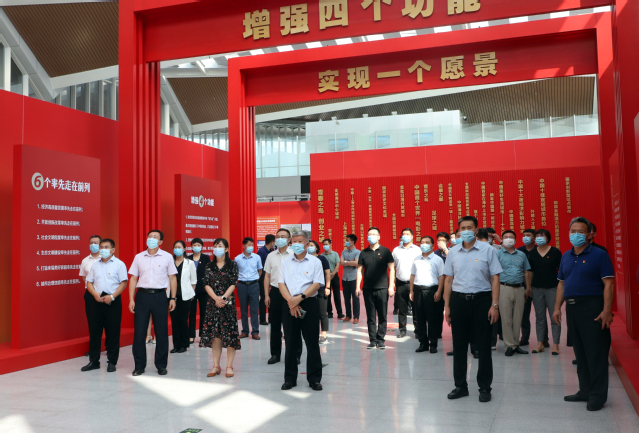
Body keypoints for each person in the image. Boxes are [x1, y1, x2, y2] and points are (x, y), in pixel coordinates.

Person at [553, 217, 614, 411]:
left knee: (595, 354)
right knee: (580, 352)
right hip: (572, 308)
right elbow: (561, 284)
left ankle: (597, 396)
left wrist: (606, 310)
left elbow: (609, 284)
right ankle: (585, 390)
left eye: (580, 231)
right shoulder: (566, 256)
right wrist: (557, 307)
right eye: (573, 231)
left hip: (592, 308)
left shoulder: (599, 254)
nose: (576, 235)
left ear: (589, 234)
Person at [444, 216, 503, 402]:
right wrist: (447, 306)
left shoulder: (488, 250)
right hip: (458, 301)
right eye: (463, 228)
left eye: (470, 227)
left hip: (482, 301)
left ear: (476, 230)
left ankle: (485, 387)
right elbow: (448, 280)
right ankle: (460, 386)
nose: (466, 231)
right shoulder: (453, 252)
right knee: (459, 345)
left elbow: (495, 278)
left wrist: (494, 305)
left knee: (483, 346)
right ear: (459, 231)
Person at [279, 230, 324, 391]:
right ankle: (290, 378)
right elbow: (281, 283)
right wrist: (292, 302)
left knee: (312, 342)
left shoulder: (315, 261)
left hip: (309, 303)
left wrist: (300, 298)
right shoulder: (285, 261)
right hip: (289, 303)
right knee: (291, 342)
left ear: (307, 244)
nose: (296, 244)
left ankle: (314, 379)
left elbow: (317, 284)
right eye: (294, 241)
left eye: (300, 241)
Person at [128, 230, 178, 376]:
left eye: (155, 237)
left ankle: (161, 365)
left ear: (160, 242)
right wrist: (131, 299)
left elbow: (173, 278)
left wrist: (173, 298)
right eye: (150, 236)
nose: (151, 239)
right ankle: (139, 366)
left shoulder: (167, 257)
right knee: (139, 332)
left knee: (161, 332)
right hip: (142, 296)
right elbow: (133, 278)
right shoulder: (139, 257)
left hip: (160, 296)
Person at [82, 239, 128, 372]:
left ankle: (112, 362)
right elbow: (89, 282)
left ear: (113, 250)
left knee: (113, 332)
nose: (102, 249)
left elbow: (123, 283)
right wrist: (94, 294)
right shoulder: (95, 265)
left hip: (113, 301)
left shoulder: (119, 264)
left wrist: (112, 297)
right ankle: (94, 361)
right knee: (95, 332)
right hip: (97, 300)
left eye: (106, 247)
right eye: (101, 247)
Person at [200, 238, 240, 378]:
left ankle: (229, 366)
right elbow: (206, 284)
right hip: (213, 304)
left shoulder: (232, 265)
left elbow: (233, 283)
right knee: (215, 336)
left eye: (220, 246)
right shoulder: (209, 266)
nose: (217, 248)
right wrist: (216, 298)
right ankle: (216, 365)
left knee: (230, 335)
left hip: (227, 304)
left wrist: (223, 298)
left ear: (226, 249)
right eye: (215, 246)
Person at [356, 227, 395, 350]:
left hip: (382, 288)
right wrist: (357, 286)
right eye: (369, 234)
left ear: (379, 237)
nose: (371, 236)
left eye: (374, 234)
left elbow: (392, 269)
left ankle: (381, 340)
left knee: (382, 316)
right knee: (370, 316)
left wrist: (391, 286)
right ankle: (372, 340)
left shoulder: (385, 251)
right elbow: (359, 270)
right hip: (368, 288)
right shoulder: (363, 252)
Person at [496, 231, 531, 356]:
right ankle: (509, 345)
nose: (508, 239)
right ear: (502, 239)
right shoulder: (497, 254)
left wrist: (528, 288)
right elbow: (494, 274)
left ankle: (516, 345)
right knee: (506, 318)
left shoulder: (521, 254)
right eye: (506, 237)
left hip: (520, 288)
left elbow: (526, 272)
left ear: (515, 240)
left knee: (518, 318)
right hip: (504, 287)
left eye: (511, 237)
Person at [529, 229, 562, 355]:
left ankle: (556, 345)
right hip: (537, 288)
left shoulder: (555, 252)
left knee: (555, 316)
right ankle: (540, 343)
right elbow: (530, 271)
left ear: (547, 238)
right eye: (537, 235)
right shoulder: (532, 252)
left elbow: (561, 270)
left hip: (552, 288)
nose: (539, 237)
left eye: (542, 235)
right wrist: (529, 287)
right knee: (540, 317)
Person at [410, 236, 445, 353]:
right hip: (418, 290)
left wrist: (439, 291)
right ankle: (423, 343)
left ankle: (433, 343)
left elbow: (442, 277)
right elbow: (412, 275)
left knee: (432, 318)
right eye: (422, 242)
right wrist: (411, 291)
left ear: (432, 245)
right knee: (419, 318)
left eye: (427, 242)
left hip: (432, 291)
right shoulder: (416, 259)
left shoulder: (437, 260)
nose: (424, 244)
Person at [264, 228, 293, 365]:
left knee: (291, 325)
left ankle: (294, 354)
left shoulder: (294, 254)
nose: (280, 239)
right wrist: (266, 295)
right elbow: (267, 276)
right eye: (278, 236)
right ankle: (275, 354)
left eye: (283, 236)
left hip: (291, 292)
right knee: (275, 325)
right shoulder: (271, 256)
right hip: (275, 292)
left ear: (289, 239)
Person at [517, 228, 548, 348]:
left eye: (528, 235)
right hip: (524, 286)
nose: (525, 237)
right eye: (524, 235)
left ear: (534, 238)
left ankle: (544, 338)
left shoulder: (539, 250)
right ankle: (524, 338)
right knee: (524, 313)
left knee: (541, 313)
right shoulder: (520, 251)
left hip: (538, 285)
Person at [392, 228, 422, 338]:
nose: (405, 236)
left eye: (408, 234)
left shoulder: (418, 250)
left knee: (416, 308)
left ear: (412, 236)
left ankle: (418, 331)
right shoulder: (396, 250)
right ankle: (402, 330)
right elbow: (393, 267)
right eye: (403, 234)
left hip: (414, 283)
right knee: (402, 308)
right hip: (400, 282)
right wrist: (393, 281)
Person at [170, 241, 196, 354]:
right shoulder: (170, 262)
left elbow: (193, 281)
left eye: (179, 247)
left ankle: (184, 344)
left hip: (185, 296)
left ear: (184, 249)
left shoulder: (189, 263)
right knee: (174, 320)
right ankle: (176, 345)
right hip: (172, 296)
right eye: (175, 247)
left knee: (183, 320)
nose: (177, 249)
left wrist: (191, 294)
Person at [234, 237, 263, 340]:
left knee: (254, 309)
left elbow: (260, 270)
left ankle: (255, 331)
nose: (251, 247)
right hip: (242, 285)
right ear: (244, 246)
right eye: (249, 245)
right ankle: (245, 331)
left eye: (252, 245)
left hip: (254, 285)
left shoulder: (257, 257)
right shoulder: (237, 258)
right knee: (243, 309)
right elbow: (235, 272)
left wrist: (255, 280)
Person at [79, 234, 102, 356]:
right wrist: (92, 290)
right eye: (91, 243)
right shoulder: (85, 260)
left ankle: (109, 346)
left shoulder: (105, 258)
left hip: (104, 294)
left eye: (96, 243)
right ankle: (94, 349)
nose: (93, 245)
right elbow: (84, 277)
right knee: (92, 322)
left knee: (107, 321)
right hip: (90, 295)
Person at [187, 238, 211, 345]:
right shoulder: (188, 258)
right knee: (191, 313)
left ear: (202, 246)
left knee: (204, 312)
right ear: (191, 246)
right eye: (194, 245)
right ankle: (191, 335)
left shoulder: (206, 258)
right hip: (191, 289)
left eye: (198, 245)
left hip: (203, 289)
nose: (196, 247)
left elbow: (209, 273)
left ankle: (203, 335)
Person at [310, 240, 331, 344]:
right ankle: (312, 334)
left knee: (322, 313)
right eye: (308, 245)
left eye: (311, 245)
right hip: (308, 291)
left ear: (316, 248)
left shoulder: (322, 258)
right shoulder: (306, 259)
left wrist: (327, 287)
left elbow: (327, 273)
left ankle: (324, 335)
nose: (309, 247)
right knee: (311, 314)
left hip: (321, 289)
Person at [433, 231, 451, 339]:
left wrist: (445, 249)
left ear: (448, 242)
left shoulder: (451, 252)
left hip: (451, 285)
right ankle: (437, 332)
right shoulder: (434, 254)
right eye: (439, 240)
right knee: (437, 311)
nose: (441, 242)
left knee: (451, 309)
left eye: (444, 240)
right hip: (438, 285)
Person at [341, 234, 361, 324]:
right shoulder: (344, 251)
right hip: (345, 278)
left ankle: (356, 317)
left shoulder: (358, 252)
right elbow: (341, 262)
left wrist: (346, 262)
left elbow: (357, 263)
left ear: (352, 242)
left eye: (347, 240)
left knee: (355, 298)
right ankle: (348, 315)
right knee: (346, 298)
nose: (346, 242)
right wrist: (350, 263)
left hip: (354, 278)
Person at [322, 239, 343, 320]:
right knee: (327, 295)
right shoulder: (322, 256)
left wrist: (333, 273)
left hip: (334, 276)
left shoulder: (335, 254)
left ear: (330, 244)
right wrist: (328, 274)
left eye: (326, 244)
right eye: (324, 244)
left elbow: (338, 264)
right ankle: (329, 313)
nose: (325, 246)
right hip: (326, 277)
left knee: (337, 295)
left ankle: (339, 313)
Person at [258, 234, 275, 325]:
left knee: (271, 298)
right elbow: (260, 267)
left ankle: (271, 318)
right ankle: (262, 319)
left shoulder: (272, 251)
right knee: (264, 297)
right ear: (272, 242)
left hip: (272, 277)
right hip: (263, 277)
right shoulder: (261, 252)